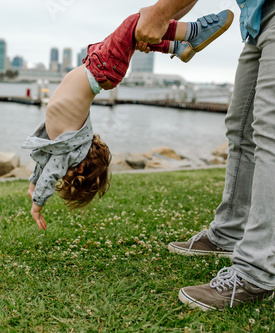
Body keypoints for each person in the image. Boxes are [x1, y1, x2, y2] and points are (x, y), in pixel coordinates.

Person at [160, 0, 275, 311]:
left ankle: (255, 272)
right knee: (240, 127)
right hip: (256, 14)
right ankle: (227, 233)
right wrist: (164, 20)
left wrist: (159, 15)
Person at [22, 9, 234, 230]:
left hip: (99, 66)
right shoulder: (68, 149)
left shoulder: (61, 148)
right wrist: (37, 202)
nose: (59, 172)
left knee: (140, 28)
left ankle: (183, 40)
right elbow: (51, 170)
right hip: (101, 68)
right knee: (137, 24)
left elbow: (44, 164)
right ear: (80, 164)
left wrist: (34, 186)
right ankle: (188, 35)